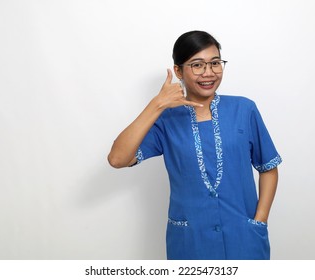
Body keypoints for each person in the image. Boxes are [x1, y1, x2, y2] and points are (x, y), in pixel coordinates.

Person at [107, 30, 282, 260]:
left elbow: (268, 167)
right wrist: (157, 105)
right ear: (178, 70)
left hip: (244, 239)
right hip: (191, 243)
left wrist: (260, 221)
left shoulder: (244, 109)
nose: (208, 73)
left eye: (215, 63)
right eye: (197, 65)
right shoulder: (166, 120)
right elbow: (117, 159)